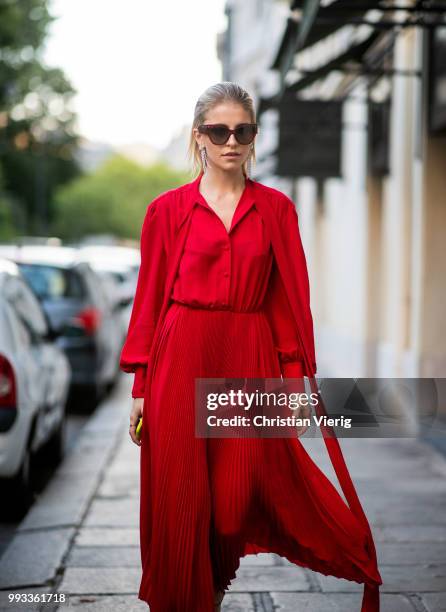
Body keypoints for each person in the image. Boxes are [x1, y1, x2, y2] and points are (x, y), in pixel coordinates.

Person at [120, 82, 382, 612]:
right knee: (183, 500)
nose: (230, 141)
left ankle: (210, 587)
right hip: (180, 356)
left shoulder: (277, 210)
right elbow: (148, 301)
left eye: (243, 131)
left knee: (233, 504)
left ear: (255, 137)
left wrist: (293, 381)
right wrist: (142, 386)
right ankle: (196, 602)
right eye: (218, 131)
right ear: (199, 138)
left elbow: (288, 300)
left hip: (249, 357)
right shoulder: (166, 211)